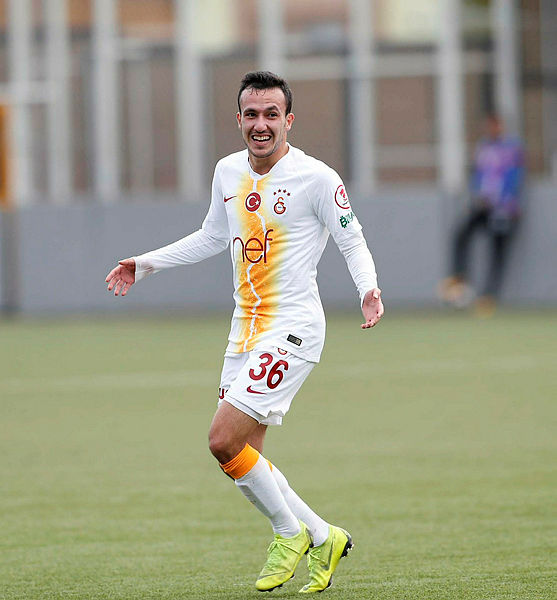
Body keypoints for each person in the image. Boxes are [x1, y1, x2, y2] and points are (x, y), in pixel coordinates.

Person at [105, 71, 384, 593]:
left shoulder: (317, 178)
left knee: (221, 439)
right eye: (251, 114)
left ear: (288, 121)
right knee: (242, 456)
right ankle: (324, 536)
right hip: (245, 330)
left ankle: (288, 532)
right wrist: (146, 264)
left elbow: (352, 240)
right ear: (238, 120)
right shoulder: (228, 171)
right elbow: (212, 235)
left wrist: (367, 288)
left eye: (271, 114)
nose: (261, 124)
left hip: (294, 327)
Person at [439, 113, 525, 315]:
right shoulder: (483, 147)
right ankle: (459, 276)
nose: (493, 129)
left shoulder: (512, 148)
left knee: (497, 251)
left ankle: (489, 296)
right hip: (484, 205)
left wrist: (508, 202)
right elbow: (477, 174)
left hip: (504, 208)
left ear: (502, 126)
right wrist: (476, 196)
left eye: (496, 125)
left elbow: (514, 177)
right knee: (462, 232)